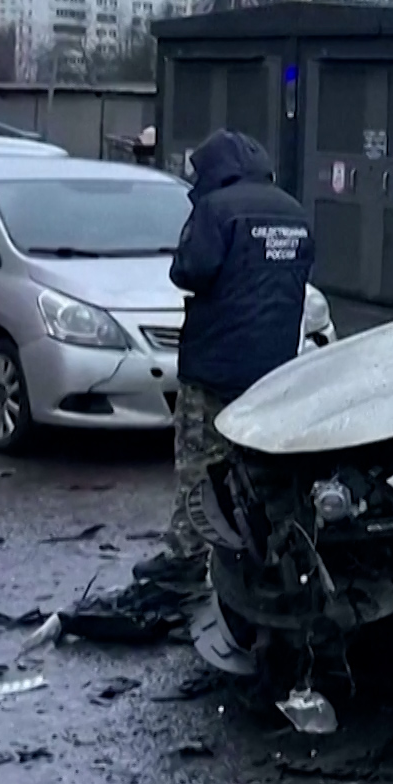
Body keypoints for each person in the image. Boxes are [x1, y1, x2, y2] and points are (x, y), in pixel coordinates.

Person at [139, 129, 315, 585]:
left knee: (199, 466)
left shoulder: (216, 209)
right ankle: (262, 555)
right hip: (272, 370)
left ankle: (186, 558)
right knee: (261, 469)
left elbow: (188, 271)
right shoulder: (294, 212)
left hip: (214, 367)